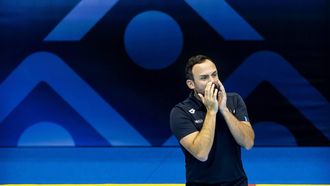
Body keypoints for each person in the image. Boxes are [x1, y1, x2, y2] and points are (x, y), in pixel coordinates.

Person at [170, 55, 255, 186]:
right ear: (191, 84)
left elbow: (248, 143)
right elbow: (201, 153)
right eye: (204, 78)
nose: (212, 81)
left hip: (237, 183)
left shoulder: (234, 100)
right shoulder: (180, 112)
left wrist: (224, 110)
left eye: (214, 75)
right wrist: (211, 111)